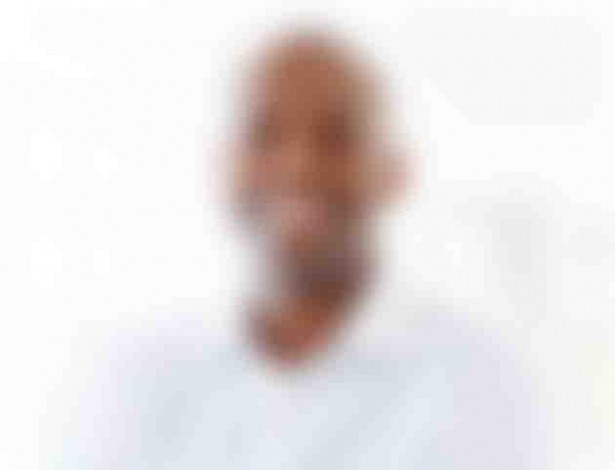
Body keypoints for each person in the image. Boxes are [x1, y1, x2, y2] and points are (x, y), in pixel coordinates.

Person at [58, 28, 541, 470]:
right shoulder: (137, 379)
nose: (298, 166)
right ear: (226, 165)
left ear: (395, 169)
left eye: (337, 137)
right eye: (265, 134)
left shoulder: (475, 383)